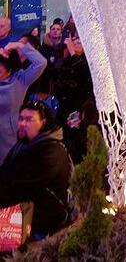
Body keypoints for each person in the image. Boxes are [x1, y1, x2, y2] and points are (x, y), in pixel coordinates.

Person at [0, 101, 72, 240]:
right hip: (23, 214)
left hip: (44, 221)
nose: (22, 123)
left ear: (43, 122)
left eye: (29, 120)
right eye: (21, 118)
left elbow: (24, 184)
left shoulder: (53, 150)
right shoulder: (24, 145)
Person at [0, 40, 48, 162]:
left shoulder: (20, 80)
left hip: (8, 136)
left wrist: (20, 45)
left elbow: (41, 63)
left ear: (9, 66)